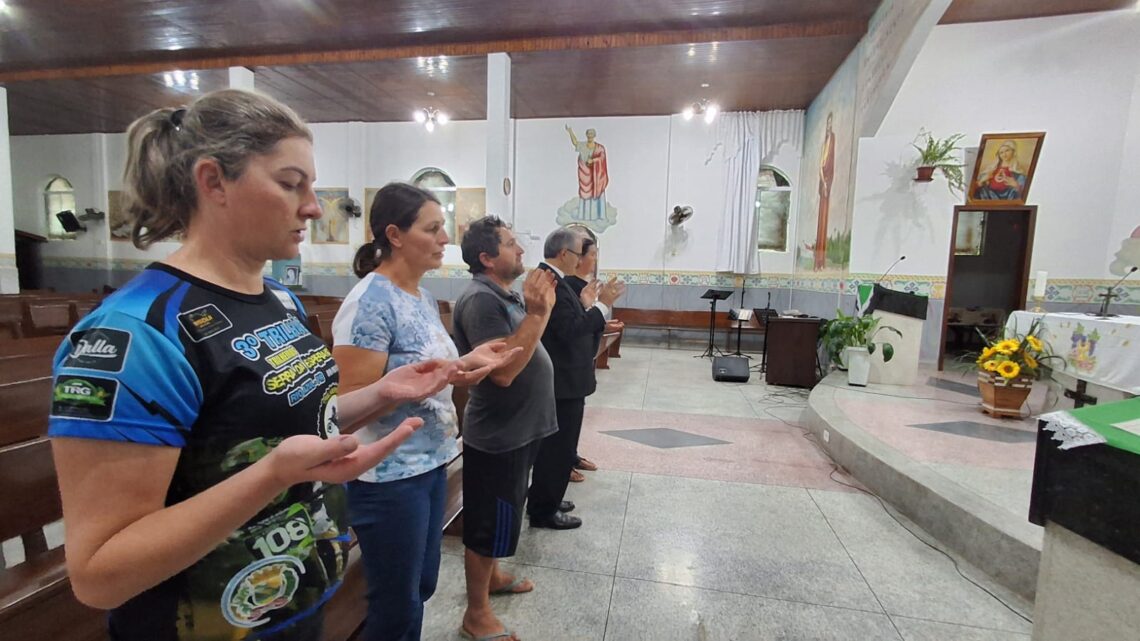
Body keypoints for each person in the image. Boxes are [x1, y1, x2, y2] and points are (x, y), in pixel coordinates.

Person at [48, 89, 457, 641]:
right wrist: (269, 476)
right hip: (203, 625)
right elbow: (99, 574)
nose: (313, 207)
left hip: (296, 596)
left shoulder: (278, 302)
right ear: (213, 181)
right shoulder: (134, 334)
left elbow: (290, 429)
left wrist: (384, 393)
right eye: (292, 185)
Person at [332, 183, 518, 641]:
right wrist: (411, 388)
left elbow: (422, 371)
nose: (444, 240)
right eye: (433, 229)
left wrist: (463, 367)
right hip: (388, 475)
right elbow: (345, 413)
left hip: (432, 460)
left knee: (422, 584)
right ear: (394, 235)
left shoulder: (419, 295)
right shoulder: (369, 302)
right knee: (398, 605)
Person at [452, 216, 560, 641]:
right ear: (486, 257)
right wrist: (538, 311)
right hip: (498, 434)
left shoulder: (503, 295)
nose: (520, 250)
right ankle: (475, 614)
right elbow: (503, 371)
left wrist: (537, 310)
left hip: (519, 428)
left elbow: (525, 344)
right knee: (486, 523)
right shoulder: (481, 301)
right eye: (511, 244)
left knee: (505, 515)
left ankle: (494, 577)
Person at [528, 228, 624, 530]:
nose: (584, 259)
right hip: (562, 381)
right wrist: (601, 305)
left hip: (566, 378)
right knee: (557, 449)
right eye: (580, 252)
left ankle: (548, 498)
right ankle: (544, 510)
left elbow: (569, 322)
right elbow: (569, 330)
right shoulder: (551, 281)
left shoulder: (555, 280)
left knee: (559, 448)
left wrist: (586, 304)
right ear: (565, 254)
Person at [561, 232, 622, 482]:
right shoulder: (568, 287)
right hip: (567, 367)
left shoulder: (583, 284)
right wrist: (602, 307)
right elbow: (573, 327)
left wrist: (604, 325)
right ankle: (561, 463)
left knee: (575, 416)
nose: (595, 260)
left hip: (581, 365)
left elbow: (586, 322)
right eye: (592, 254)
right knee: (564, 420)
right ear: (577, 258)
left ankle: (570, 455)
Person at [565, 126, 609, 221]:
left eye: (592, 134)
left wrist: (593, 160)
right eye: (588, 134)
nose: (590, 136)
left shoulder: (599, 148)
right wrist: (570, 131)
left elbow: (602, 158)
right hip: (584, 174)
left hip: (595, 176)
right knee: (585, 194)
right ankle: (584, 216)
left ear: (594, 136)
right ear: (586, 135)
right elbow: (575, 142)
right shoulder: (583, 146)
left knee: (596, 192)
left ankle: (597, 216)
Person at [814, 112, 836, 271]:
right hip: (824, 183)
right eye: (827, 123)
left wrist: (827, 181)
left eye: (831, 123)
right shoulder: (824, 143)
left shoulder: (832, 140)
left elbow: (829, 163)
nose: (829, 126)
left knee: (825, 219)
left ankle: (822, 262)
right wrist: (823, 181)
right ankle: (818, 261)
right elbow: (821, 166)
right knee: (821, 221)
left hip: (827, 180)